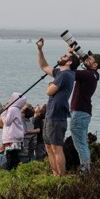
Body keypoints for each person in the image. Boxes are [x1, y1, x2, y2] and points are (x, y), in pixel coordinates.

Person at [42, 44, 100, 173]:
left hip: (80, 112)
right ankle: (85, 169)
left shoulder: (87, 74)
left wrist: (73, 58)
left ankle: (85, 170)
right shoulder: (93, 74)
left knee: (80, 144)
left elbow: (67, 70)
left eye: (90, 59)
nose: (86, 59)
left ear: (95, 65)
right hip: (83, 112)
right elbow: (68, 68)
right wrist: (72, 58)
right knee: (81, 143)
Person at [37, 38, 76, 177]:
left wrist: (51, 84)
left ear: (70, 62)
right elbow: (44, 66)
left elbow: (49, 91)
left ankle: (60, 175)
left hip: (57, 115)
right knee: (49, 147)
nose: (61, 57)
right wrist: (40, 49)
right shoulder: (61, 73)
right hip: (51, 114)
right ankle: (55, 175)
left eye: (65, 56)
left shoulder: (65, 74)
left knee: (56, 148)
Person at [0, 85, 27, 171]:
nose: (9, 100)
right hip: (15, 139)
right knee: (13, 159)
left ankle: (10, 177)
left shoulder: (13, 109)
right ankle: (13, 175)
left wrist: (3, 112)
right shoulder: (16, 109)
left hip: (12, 139)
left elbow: (6, 122)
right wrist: (4, 111)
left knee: (10, 160)